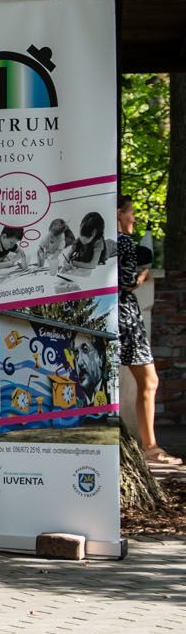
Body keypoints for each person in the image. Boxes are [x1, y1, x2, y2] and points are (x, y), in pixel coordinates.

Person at [116, 197, 176, 466]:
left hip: (105, 317)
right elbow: (127, 282)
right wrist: (144, 275)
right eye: (131, 213)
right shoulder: (124, 242)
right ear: (119, 213)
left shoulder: (100, 242)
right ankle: (150, 448)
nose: (134, 219)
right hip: (126, 319)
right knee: (149, 381)